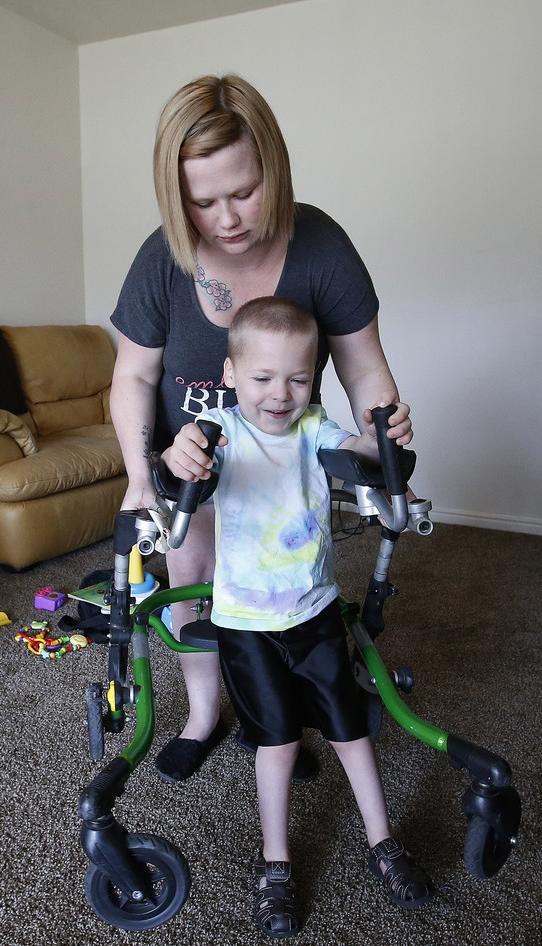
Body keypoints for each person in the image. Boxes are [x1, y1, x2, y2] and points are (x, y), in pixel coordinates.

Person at [110, 74, 413, 783]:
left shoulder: (322, 246)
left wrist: (382, 432)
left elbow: (365, 366)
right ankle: (204, 715)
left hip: (281, 468)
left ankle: (269, 718)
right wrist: (136, 479)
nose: (227, 218)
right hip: (196, 466)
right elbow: (132, 377)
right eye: (203, 200)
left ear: (271, 167)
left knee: (281, 592)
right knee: (193, 578)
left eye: (243, 191)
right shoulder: (162, 258)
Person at [162, 296, 432, 937]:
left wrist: (381, 437)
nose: (279, 394)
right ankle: (276, 862)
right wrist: (179, 456)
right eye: (262, 377)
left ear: (315, 379)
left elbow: (361, 453)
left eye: (298, 377)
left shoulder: (315, 427)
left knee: (350, 732)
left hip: (313, 614)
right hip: (245, 626)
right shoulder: (220, 433)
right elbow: (184, 465)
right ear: (230, 375)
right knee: (276, 743)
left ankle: (383, 841)